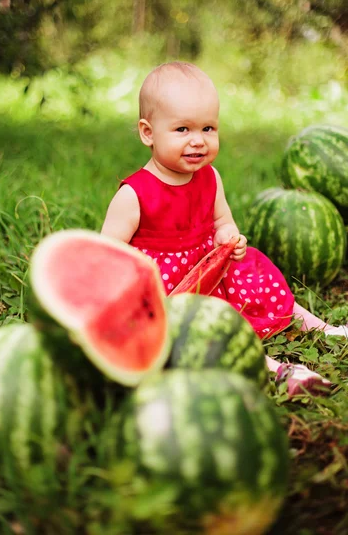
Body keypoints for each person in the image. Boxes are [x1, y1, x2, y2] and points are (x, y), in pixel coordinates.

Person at [101, 61, 347, 396]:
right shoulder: (135, 194)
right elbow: (107, 252)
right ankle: (277, 370)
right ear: (148, 132)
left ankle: (323, 328)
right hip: (167, 291)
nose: (198, 141)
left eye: (208, 129)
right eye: (182, 130)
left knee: (265, 280)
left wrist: (229, 236)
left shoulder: (210, 178)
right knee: (211, 333)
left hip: (211, 272)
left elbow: (222, 221)